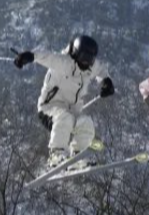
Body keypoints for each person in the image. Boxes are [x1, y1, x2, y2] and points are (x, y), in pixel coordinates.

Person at [15, 35, 115, 168]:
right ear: (75, 53)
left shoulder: (91, 66)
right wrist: (28, 56)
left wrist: (106, 82)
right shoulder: (63, 62)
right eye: (84, 57)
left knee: (86, 123)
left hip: (73, 110)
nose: (86, 62)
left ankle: (78, 157)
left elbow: (101, 70)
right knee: (64, 117)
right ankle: (56, 154)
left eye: (90, 59)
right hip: (49, 108)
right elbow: (46, 56)